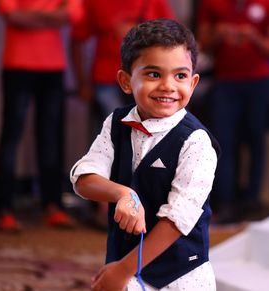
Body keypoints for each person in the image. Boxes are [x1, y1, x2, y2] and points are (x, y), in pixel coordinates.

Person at [70, 19, 219, 290]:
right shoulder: (116, 124)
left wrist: (123, 271)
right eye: (153, 74)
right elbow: (83, 178)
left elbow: (177, 220)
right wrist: (122, 194)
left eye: (180, 76)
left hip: (181, 276)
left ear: (194, 82)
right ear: (126, 81)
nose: (167, 86)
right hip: (125, 264)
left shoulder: (196, 142)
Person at [70, 0, 173, 229]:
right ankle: (105, 210)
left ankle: (147, 206)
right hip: (106, 79)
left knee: (151, 142)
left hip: (147, 83)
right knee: (111, 143)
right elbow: (77, 38)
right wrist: (81, 82)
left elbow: (173, 38)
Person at [0, 0, 83, 231]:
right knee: (11, 136)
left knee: (51, 138)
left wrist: (31, 15)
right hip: (17, 64)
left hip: (53, 67)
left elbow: (71, 15)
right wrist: (51, 14)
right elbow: (12, 17)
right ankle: (5, 209)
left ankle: (53, 206)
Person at [197, 0, 269, 223]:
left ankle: (252, 201)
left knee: (256, 140)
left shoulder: (268, 4)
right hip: (225, 82)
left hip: (258, 82)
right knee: (223, 142)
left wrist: (252, 36)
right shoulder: (212, 4)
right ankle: (226, 202)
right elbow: (201, 45)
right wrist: (219, 34)